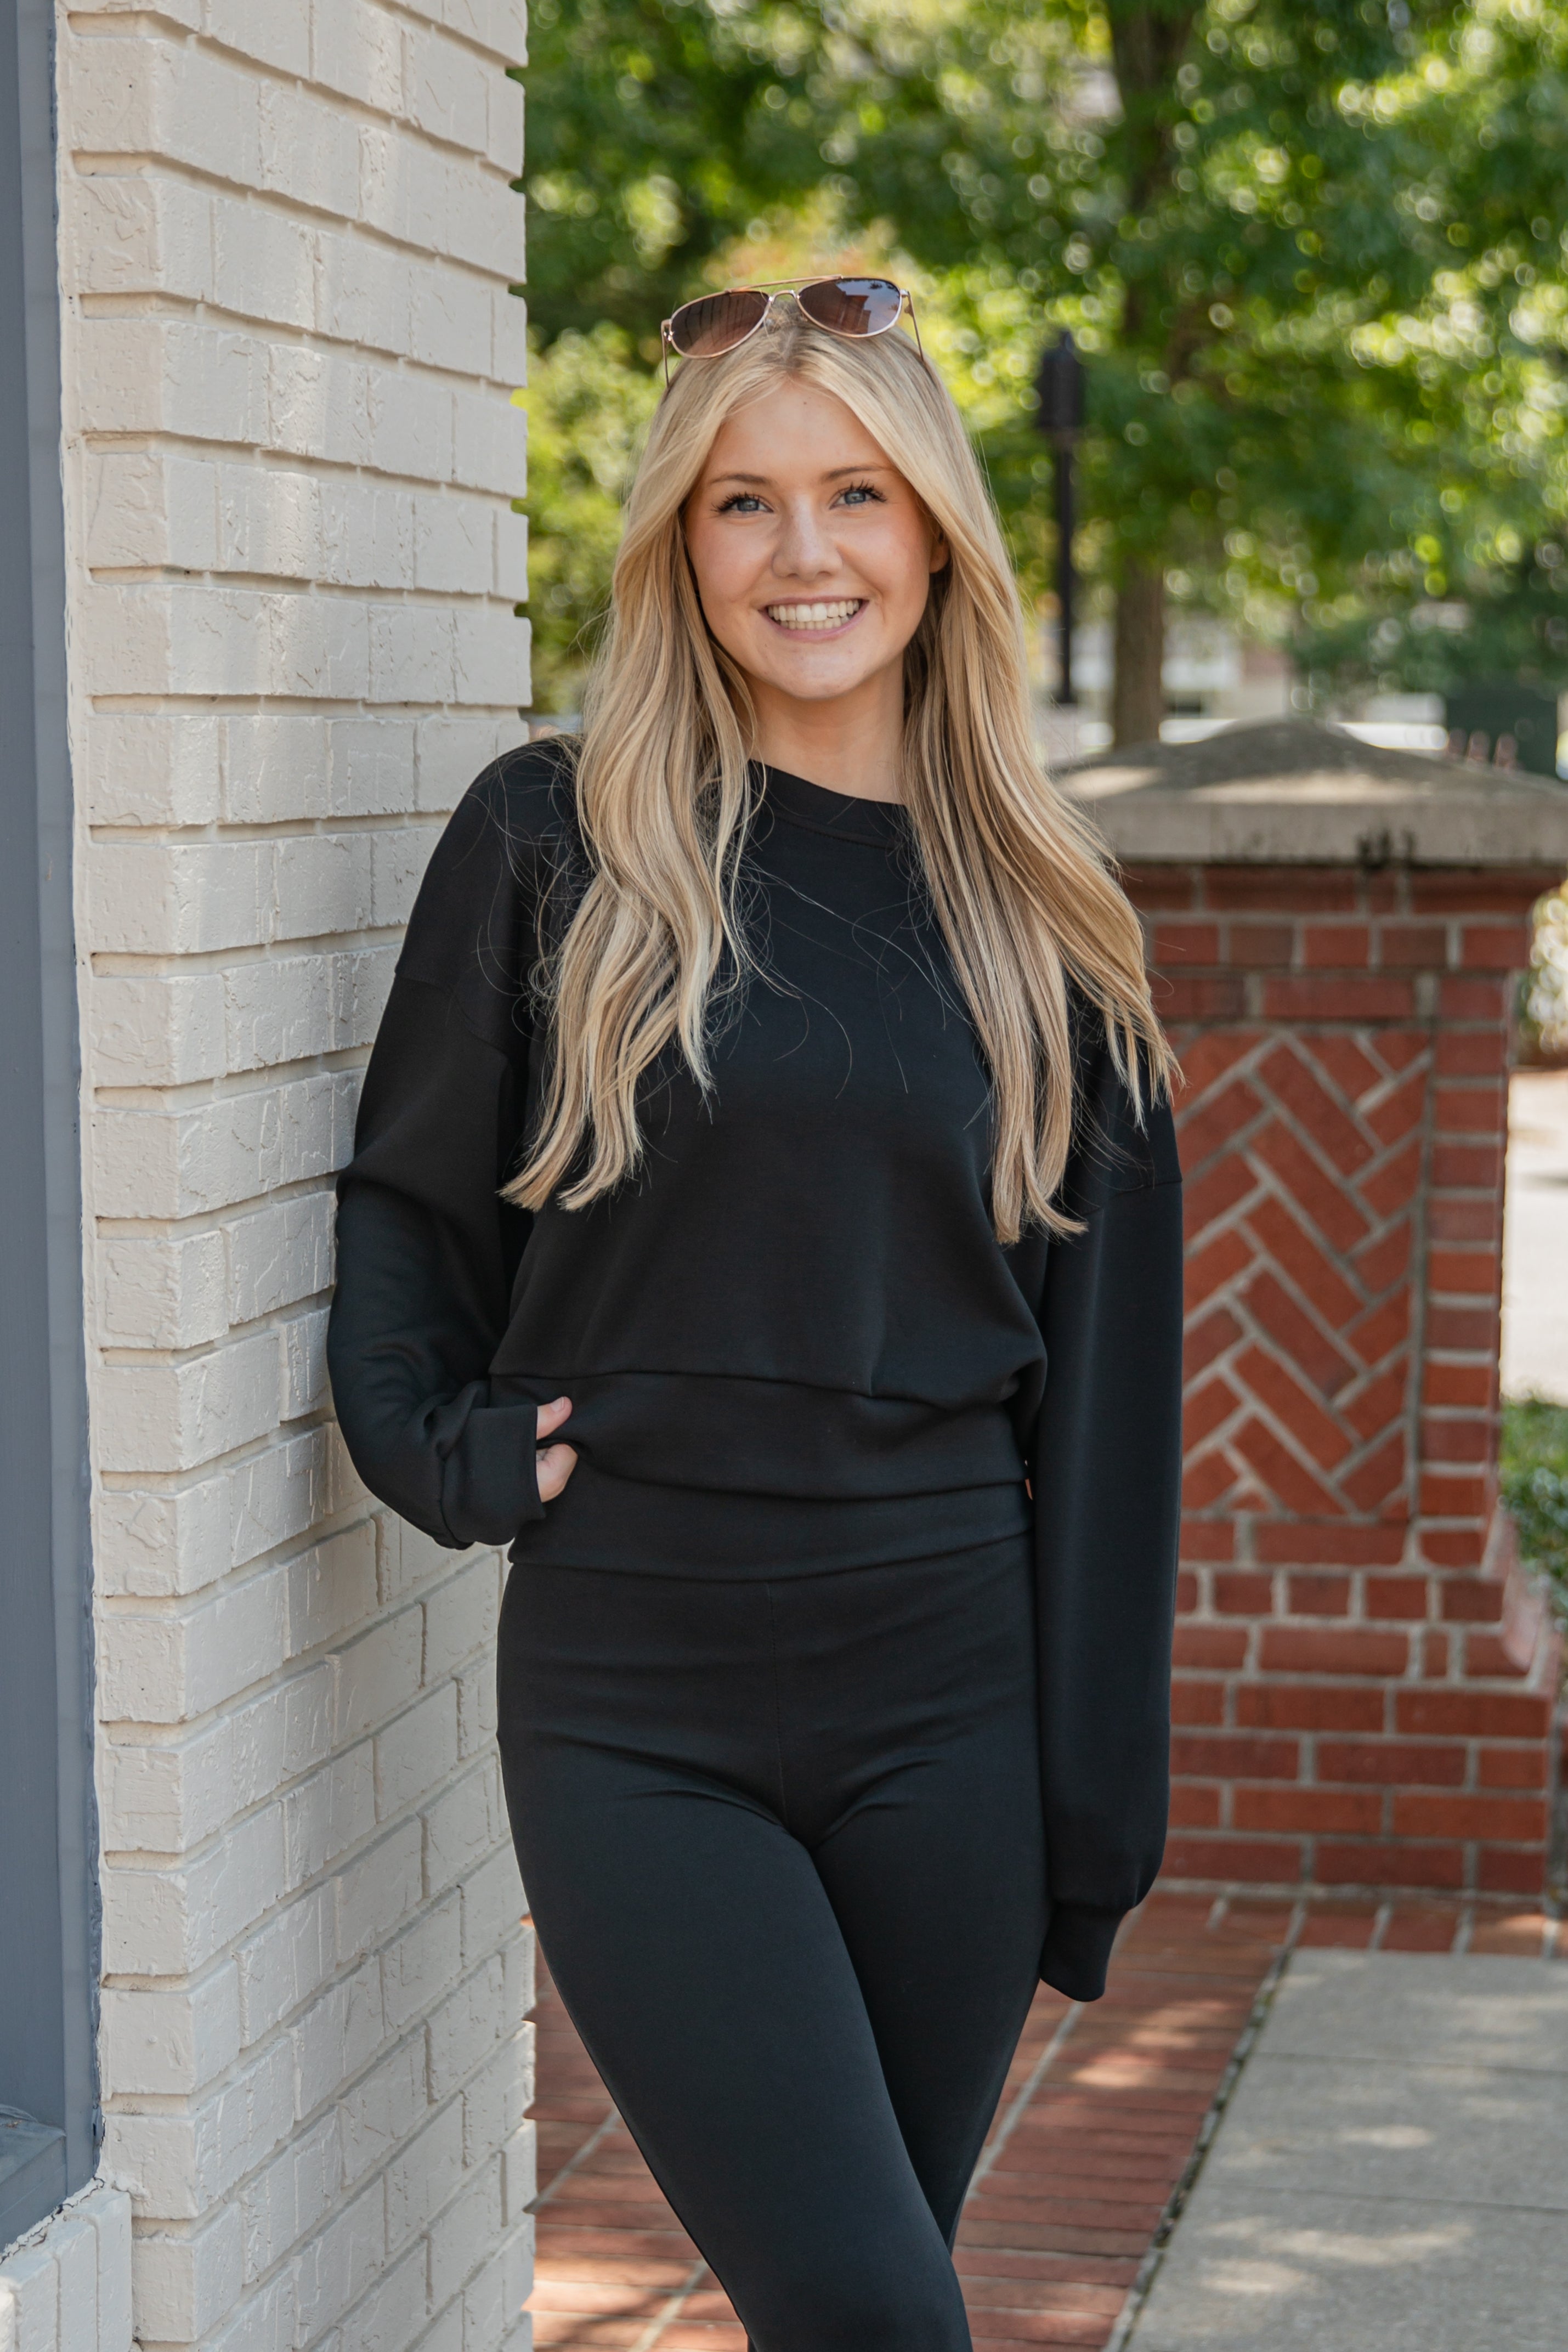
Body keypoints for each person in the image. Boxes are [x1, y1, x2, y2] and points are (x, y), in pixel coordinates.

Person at [327, 276, 1184, 2352]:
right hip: (642, 1696)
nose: (804, 556)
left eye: (855, 496)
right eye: (741, 505)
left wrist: (1091, 1831)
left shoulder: (1050, 927)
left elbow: (1109, 1428)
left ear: (936, 534)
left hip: (950, 1708)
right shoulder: (558, 840)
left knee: (855, 2309)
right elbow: (408, 1209)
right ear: (676, 544)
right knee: (877, 2311)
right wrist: (439, 1448)